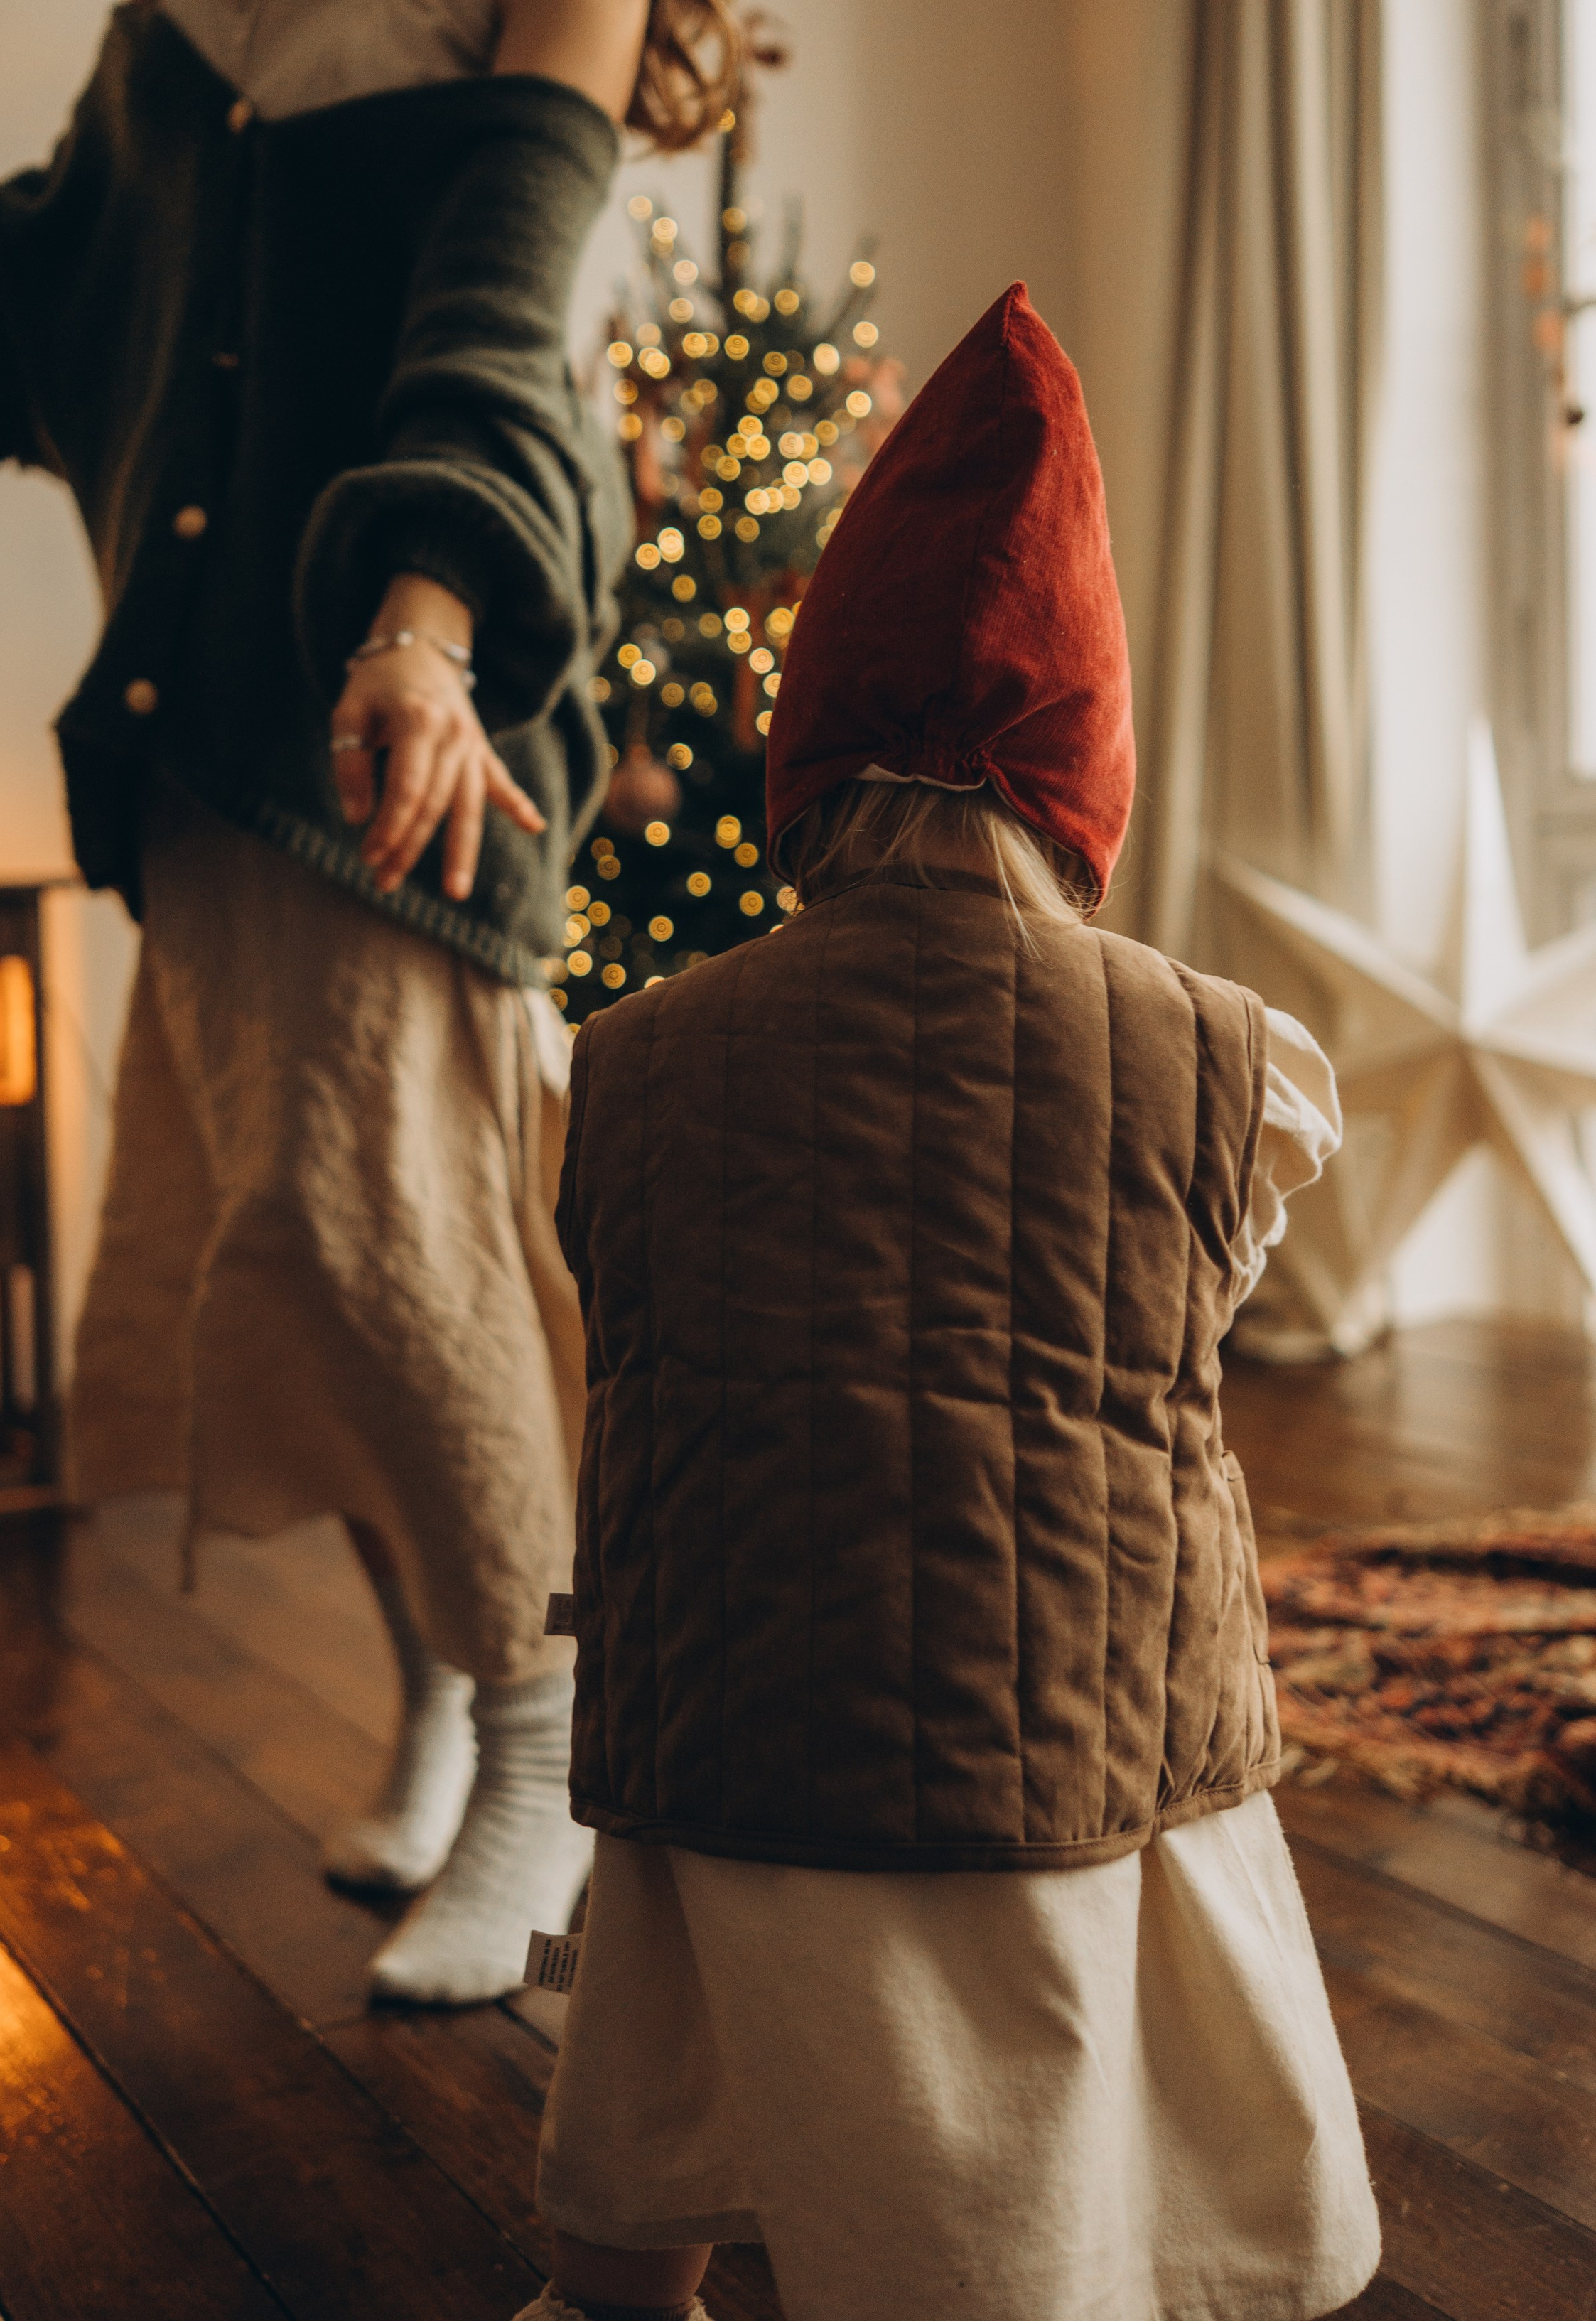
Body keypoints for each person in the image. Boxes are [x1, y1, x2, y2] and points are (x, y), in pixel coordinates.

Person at [0, 0, 742, 2005]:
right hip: (194, 686)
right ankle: (438, 1693)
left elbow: (499, 321)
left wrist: (421, 628)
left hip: (396, 711)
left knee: (403, 1252)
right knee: (286, 1241)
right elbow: (90, 242)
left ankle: (542, 1755)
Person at [520, 286, 1382, 2321]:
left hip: (726, 1746)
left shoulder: (628, 1057)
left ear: (801, 743)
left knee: (655, 2086)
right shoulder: (1226, 1059)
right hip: (1075, 1751)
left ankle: (627, 2278)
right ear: (1086, 764)